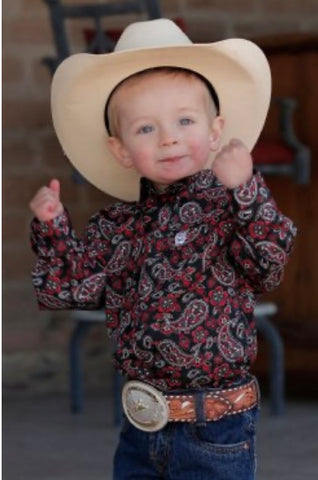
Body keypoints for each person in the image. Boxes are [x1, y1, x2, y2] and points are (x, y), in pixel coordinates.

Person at [29, 18, 297, 480]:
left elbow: (268, 263)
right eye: (146, 128)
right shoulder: (116, 226)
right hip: (141, 426)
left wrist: (247, 191)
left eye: (184, 121)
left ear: (215, 133)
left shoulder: (228, 207)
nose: (168, 137)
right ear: (121, 150)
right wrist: (52, 228)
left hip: (216, 429)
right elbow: (68, 290)